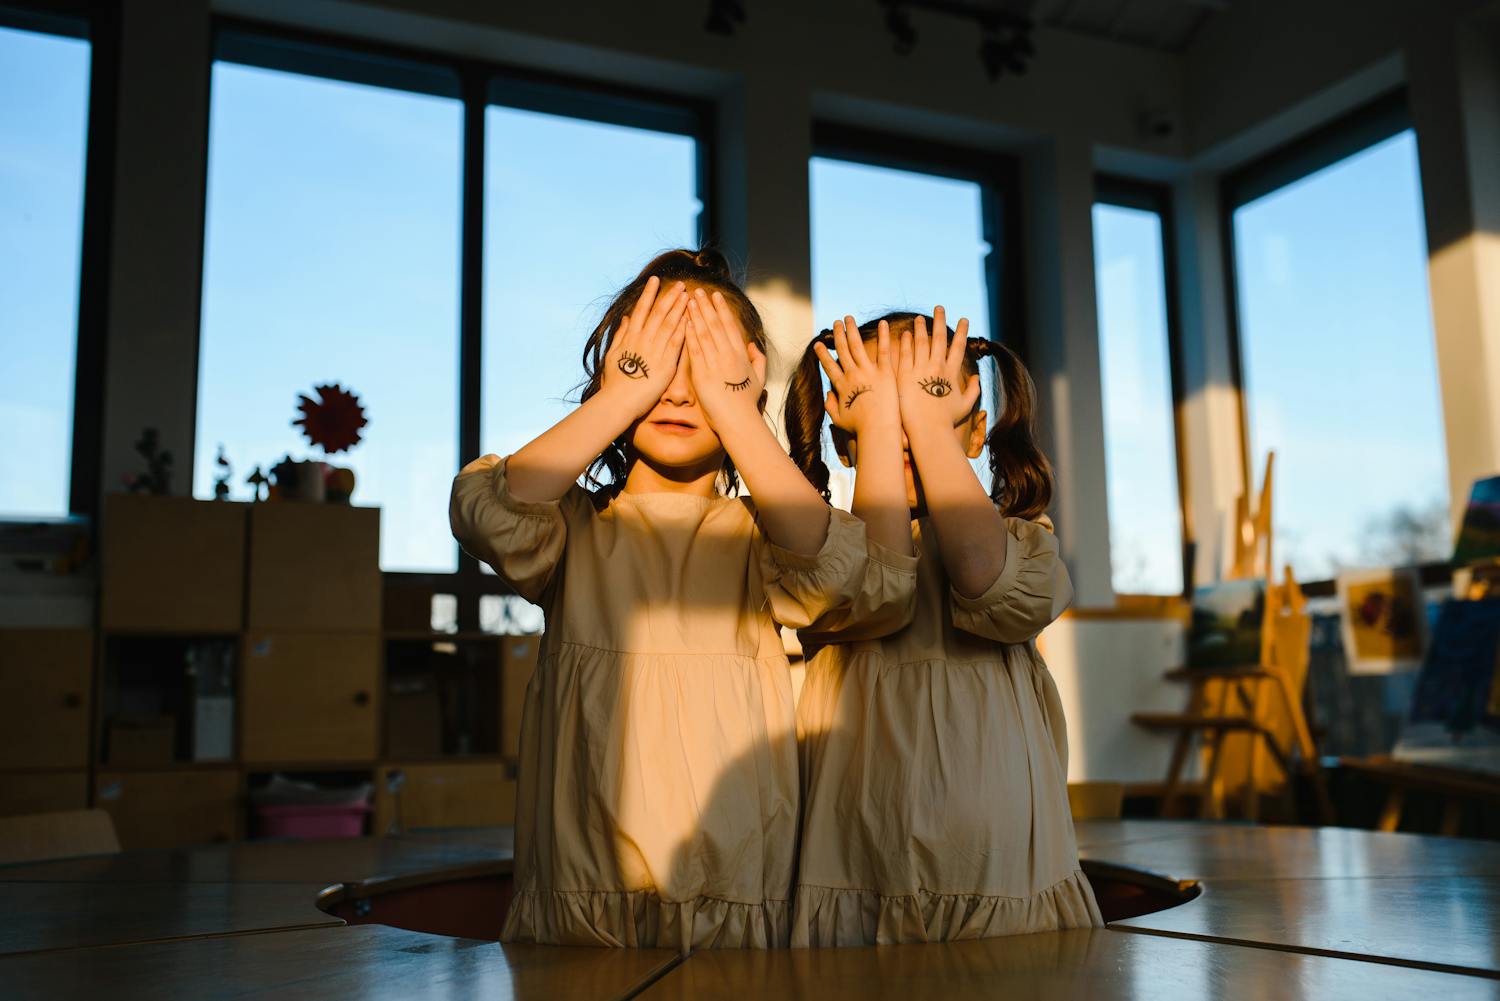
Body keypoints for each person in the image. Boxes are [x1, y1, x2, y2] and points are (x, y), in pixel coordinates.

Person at [449, 250, 916, 953]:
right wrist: (623, 393)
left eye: (705, 366)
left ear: (749, 380)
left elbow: (861, 581)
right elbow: (489, 511)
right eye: (654, 360)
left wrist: (735, 410)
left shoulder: (765, 540)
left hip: (739, 902)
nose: (675, 392)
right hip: (581, 910)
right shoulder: (572, 527)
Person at [783, 308, 1103, 946]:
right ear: (846, 438)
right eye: (878, 406)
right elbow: (872, 586)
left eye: (929, 401)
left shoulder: (1018, 541)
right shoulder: (826, 550)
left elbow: (991, 584)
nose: (903, 426)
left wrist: (922, 428)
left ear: (977, 431)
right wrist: (894, 423)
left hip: (1007, 885)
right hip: (856, 879)